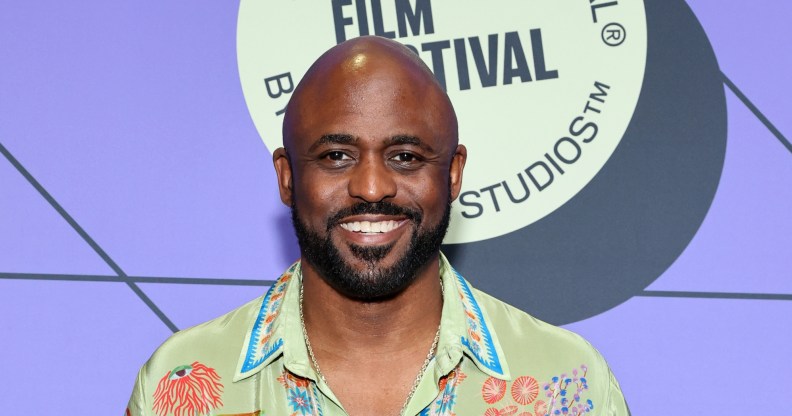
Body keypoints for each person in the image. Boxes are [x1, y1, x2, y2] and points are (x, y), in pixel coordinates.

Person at [126, 36, 629, 416]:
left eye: (405, 156)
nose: (371, 186)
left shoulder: (568, 385)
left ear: (452, 174)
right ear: (287, 176)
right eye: (337, 155)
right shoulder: (177, 385)